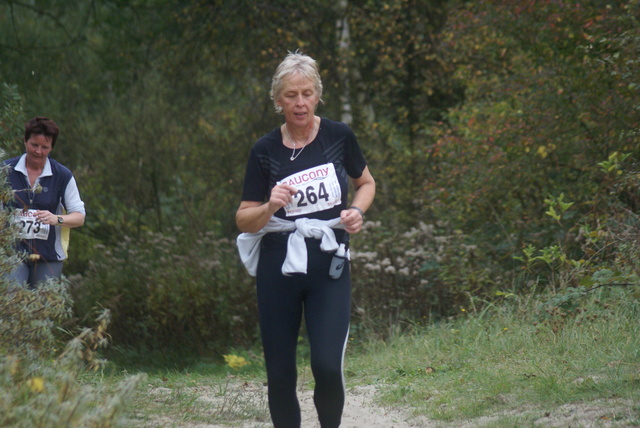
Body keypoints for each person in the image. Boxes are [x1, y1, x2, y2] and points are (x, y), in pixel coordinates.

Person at [236, 52, 375, 428]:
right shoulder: (264, 150)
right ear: (278, 100)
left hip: (328, 262)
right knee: (280, 372)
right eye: (291, 95)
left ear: (318, 96)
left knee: (327, 365)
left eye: (307, 94)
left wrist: (357, 212)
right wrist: (270, 207)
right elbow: (244, 218)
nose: (300, 103)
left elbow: (366, 183)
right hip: (278, 265)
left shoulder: (338, 136)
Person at [3, 116, 85, 287]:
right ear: (25, 141)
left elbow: (79, 217)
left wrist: (57, 219)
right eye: (34, 145)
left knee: (43, 310)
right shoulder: (5, 171)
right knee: (14, 306)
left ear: (51, 148)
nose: (38, 151)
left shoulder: (62, 175)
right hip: (11, 254)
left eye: (44, 147)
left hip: (49, 257)